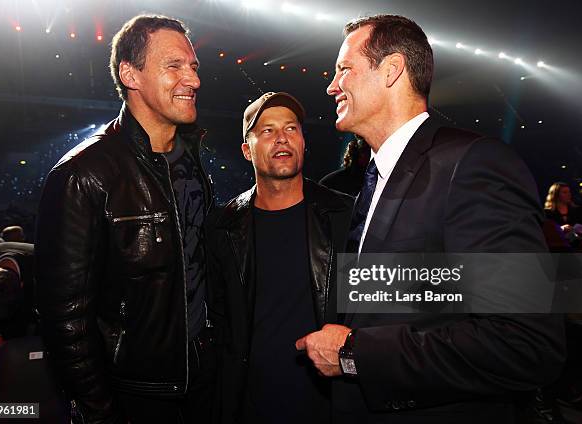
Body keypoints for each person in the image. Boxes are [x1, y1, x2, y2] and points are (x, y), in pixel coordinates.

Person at [296, 14, 566, 423]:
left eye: (344, 70)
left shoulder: (473, 164)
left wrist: (355, 354)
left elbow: (525, 341)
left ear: (391, 71)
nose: (332, 86)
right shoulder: (372, 179)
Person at [35, 14, 215, 424]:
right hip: (134, 395)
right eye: (174, 66)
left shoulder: (192, 160)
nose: (193, 79)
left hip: (203, 383)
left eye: (193, 67)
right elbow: (65, 317)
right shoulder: (83, 174)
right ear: (130, 74)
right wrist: (100, 410)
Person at [206, 92, 353, 423]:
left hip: (329, 403)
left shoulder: (345, 215)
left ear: (303, 142)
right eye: (268, 131)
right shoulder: (222, 226)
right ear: (247, 150)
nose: (282, 138)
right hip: (250, 405)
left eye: (291, 128)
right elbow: (219, 320)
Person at [544, 182, 582, 250]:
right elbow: (546, 232)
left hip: (577, 247)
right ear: (556, 195)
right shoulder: (547, 212)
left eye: (569, 192)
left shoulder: (577, 210)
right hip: (557, 249)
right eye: (565, 192)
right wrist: (560, 229)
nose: (569, 194)